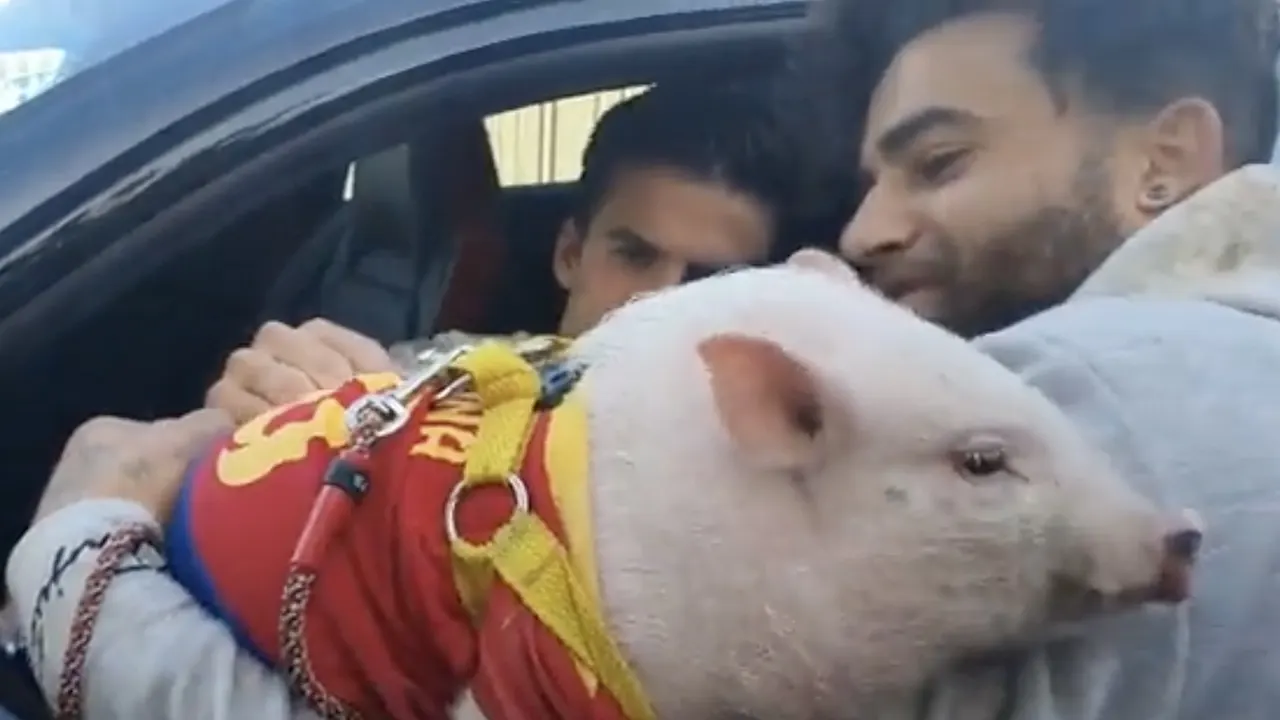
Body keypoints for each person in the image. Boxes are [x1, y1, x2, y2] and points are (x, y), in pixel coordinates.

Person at [805, 0, 1280, 718]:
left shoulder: (1055, 391)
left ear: (1165, 161)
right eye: (870, 187)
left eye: (938, 163)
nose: (862, 233)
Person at [206, 78, 809, 425]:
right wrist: (269, 406)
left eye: (709, 282)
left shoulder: (775, 468)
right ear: (570, 253)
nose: (659, 304)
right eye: (634, 256)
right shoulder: (442, 381)